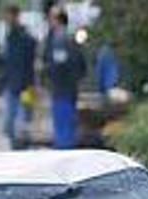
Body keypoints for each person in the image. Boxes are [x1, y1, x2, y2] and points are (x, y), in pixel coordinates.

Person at [43, 6, 86, 149]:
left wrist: (49, 76)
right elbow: (81, 66)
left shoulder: (60, 39)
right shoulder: (71, 38)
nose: (48, 21)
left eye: (51, 18)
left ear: (57, 20)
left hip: (62, 89)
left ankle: (64, 156)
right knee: (68, 124)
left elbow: (58, 65)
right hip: (69, 88)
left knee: (63, 127)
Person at [1, 5, 36, 150]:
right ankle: (16, 146)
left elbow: (27, 61)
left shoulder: (23, 37)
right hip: (13, 84)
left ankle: (21, 147)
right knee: (9, 123)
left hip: (24, 85)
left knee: (22, 120)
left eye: (9, 16)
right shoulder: (10, 36)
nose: (6, 19)